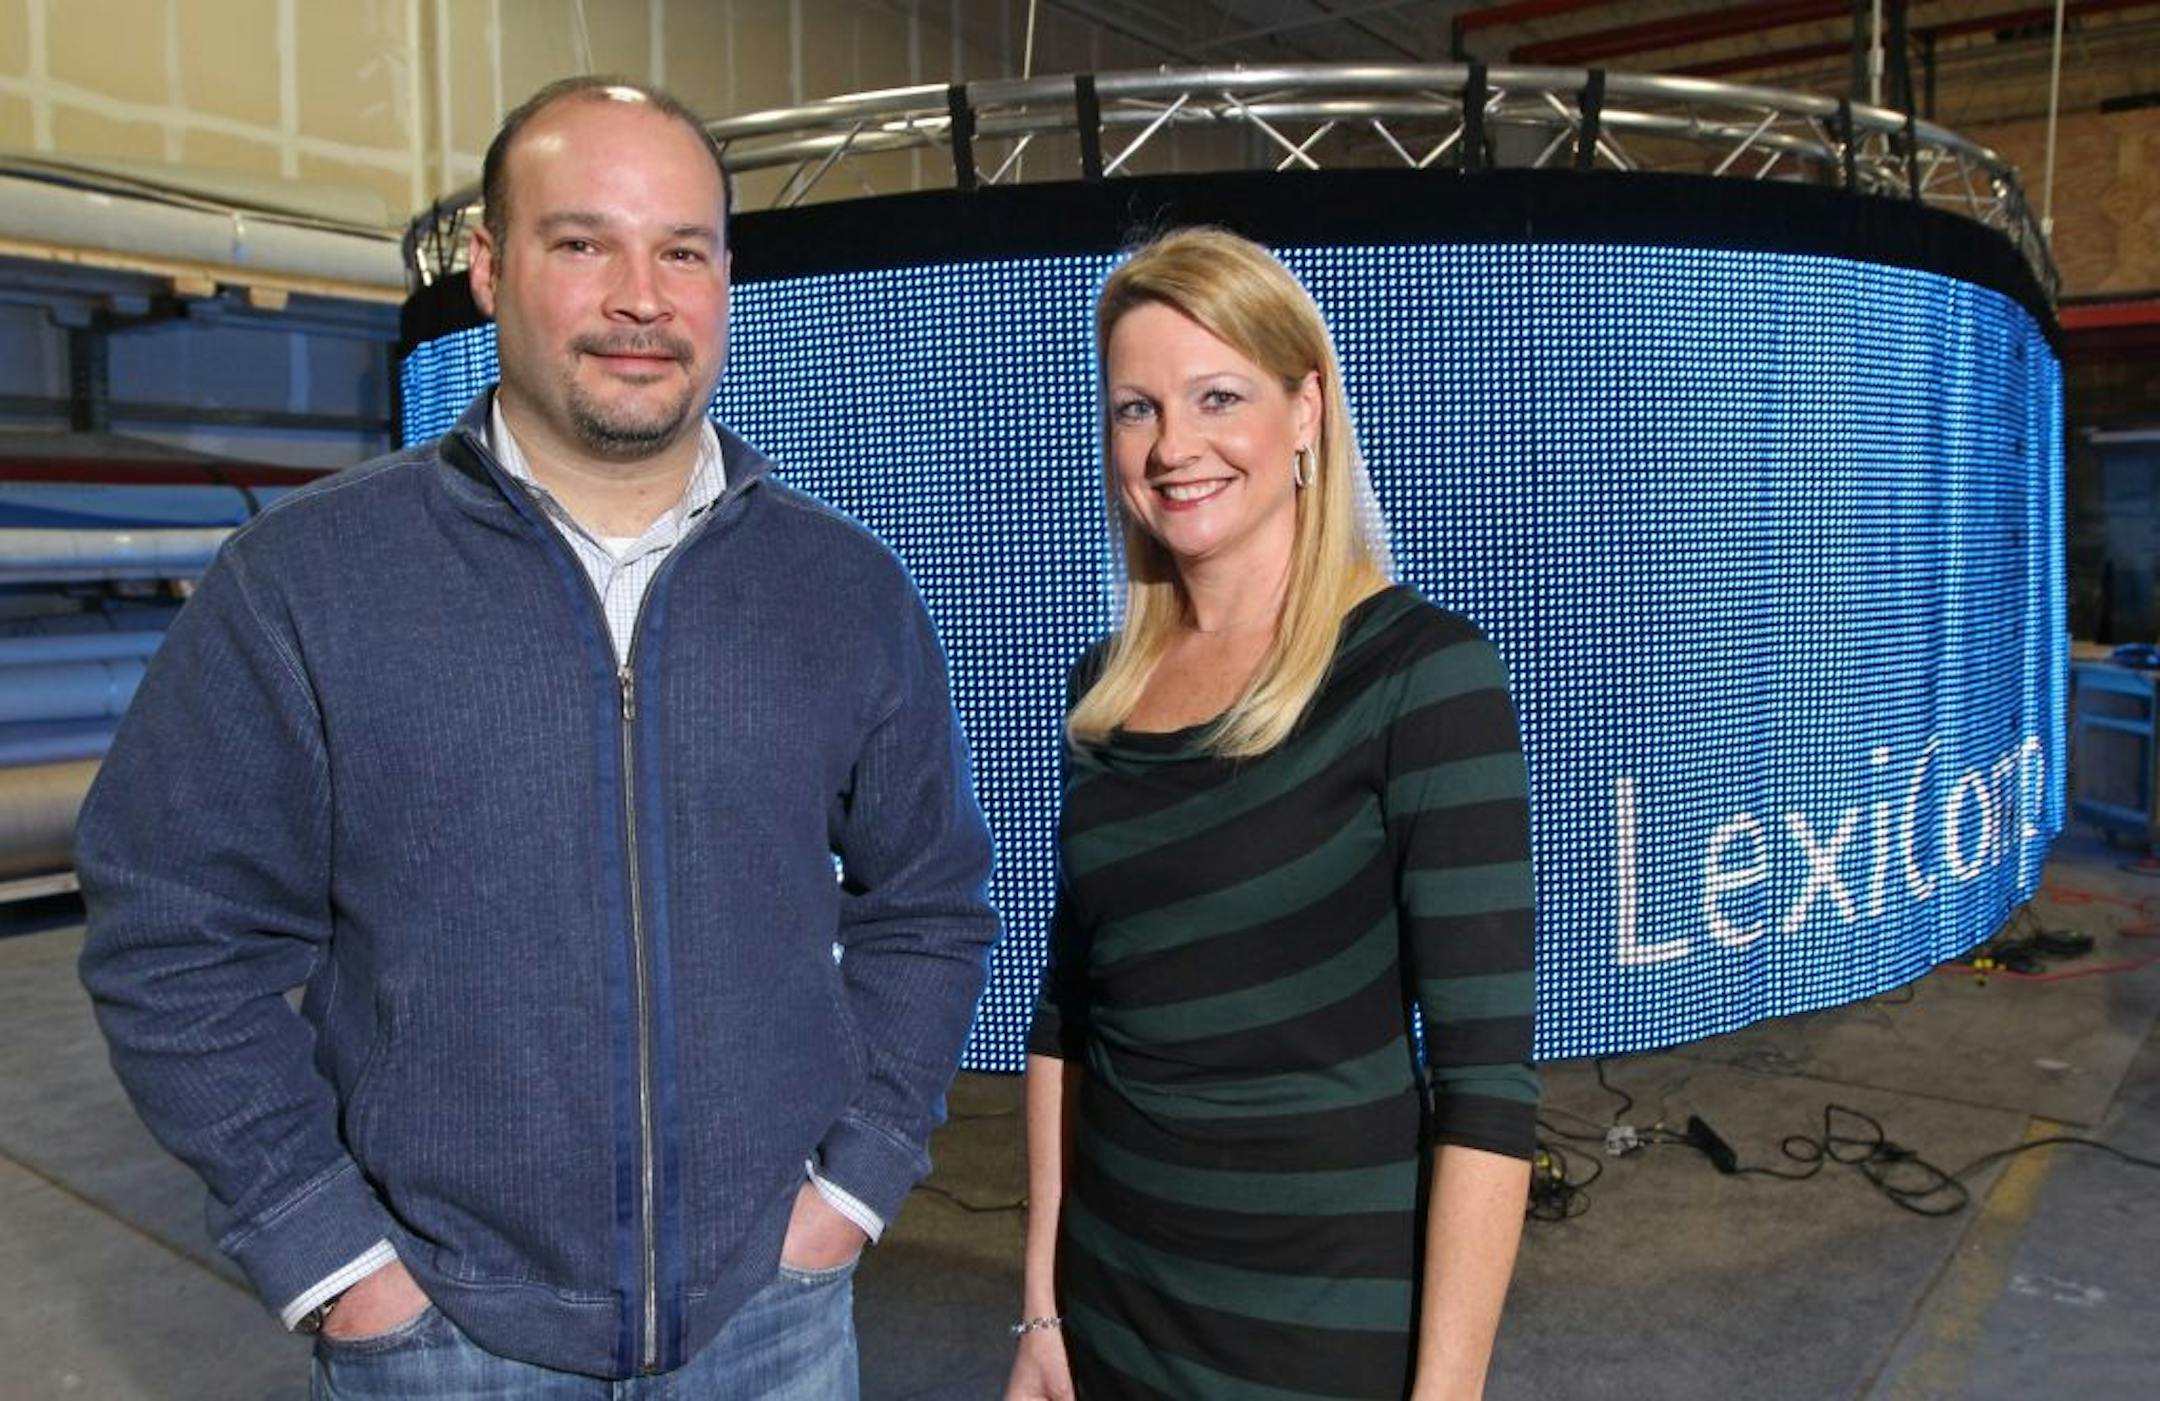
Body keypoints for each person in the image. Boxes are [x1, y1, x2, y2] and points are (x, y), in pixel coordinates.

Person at [76, 76, 996, 1397]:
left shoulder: (842, 590)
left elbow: (932, 900)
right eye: (583, 244)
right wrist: (328, 1256)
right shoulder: (306, 583)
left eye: (682, 251)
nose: (641, 298)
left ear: (725, 280)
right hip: (440, 1341)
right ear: (490, 267)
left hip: (772, 1326)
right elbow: (172, 935)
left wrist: (854, 1187)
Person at [1003, 228, 1539, 1401]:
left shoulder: (1422, 677)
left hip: (1318, 1334)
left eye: (1218, 397)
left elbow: (1487, 1091)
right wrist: (1042, 1308)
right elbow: (1067, 1015)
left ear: (1305, 412)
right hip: (1111, 1311)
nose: (1173, 446)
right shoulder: (1107, 692)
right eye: (1137, 409)